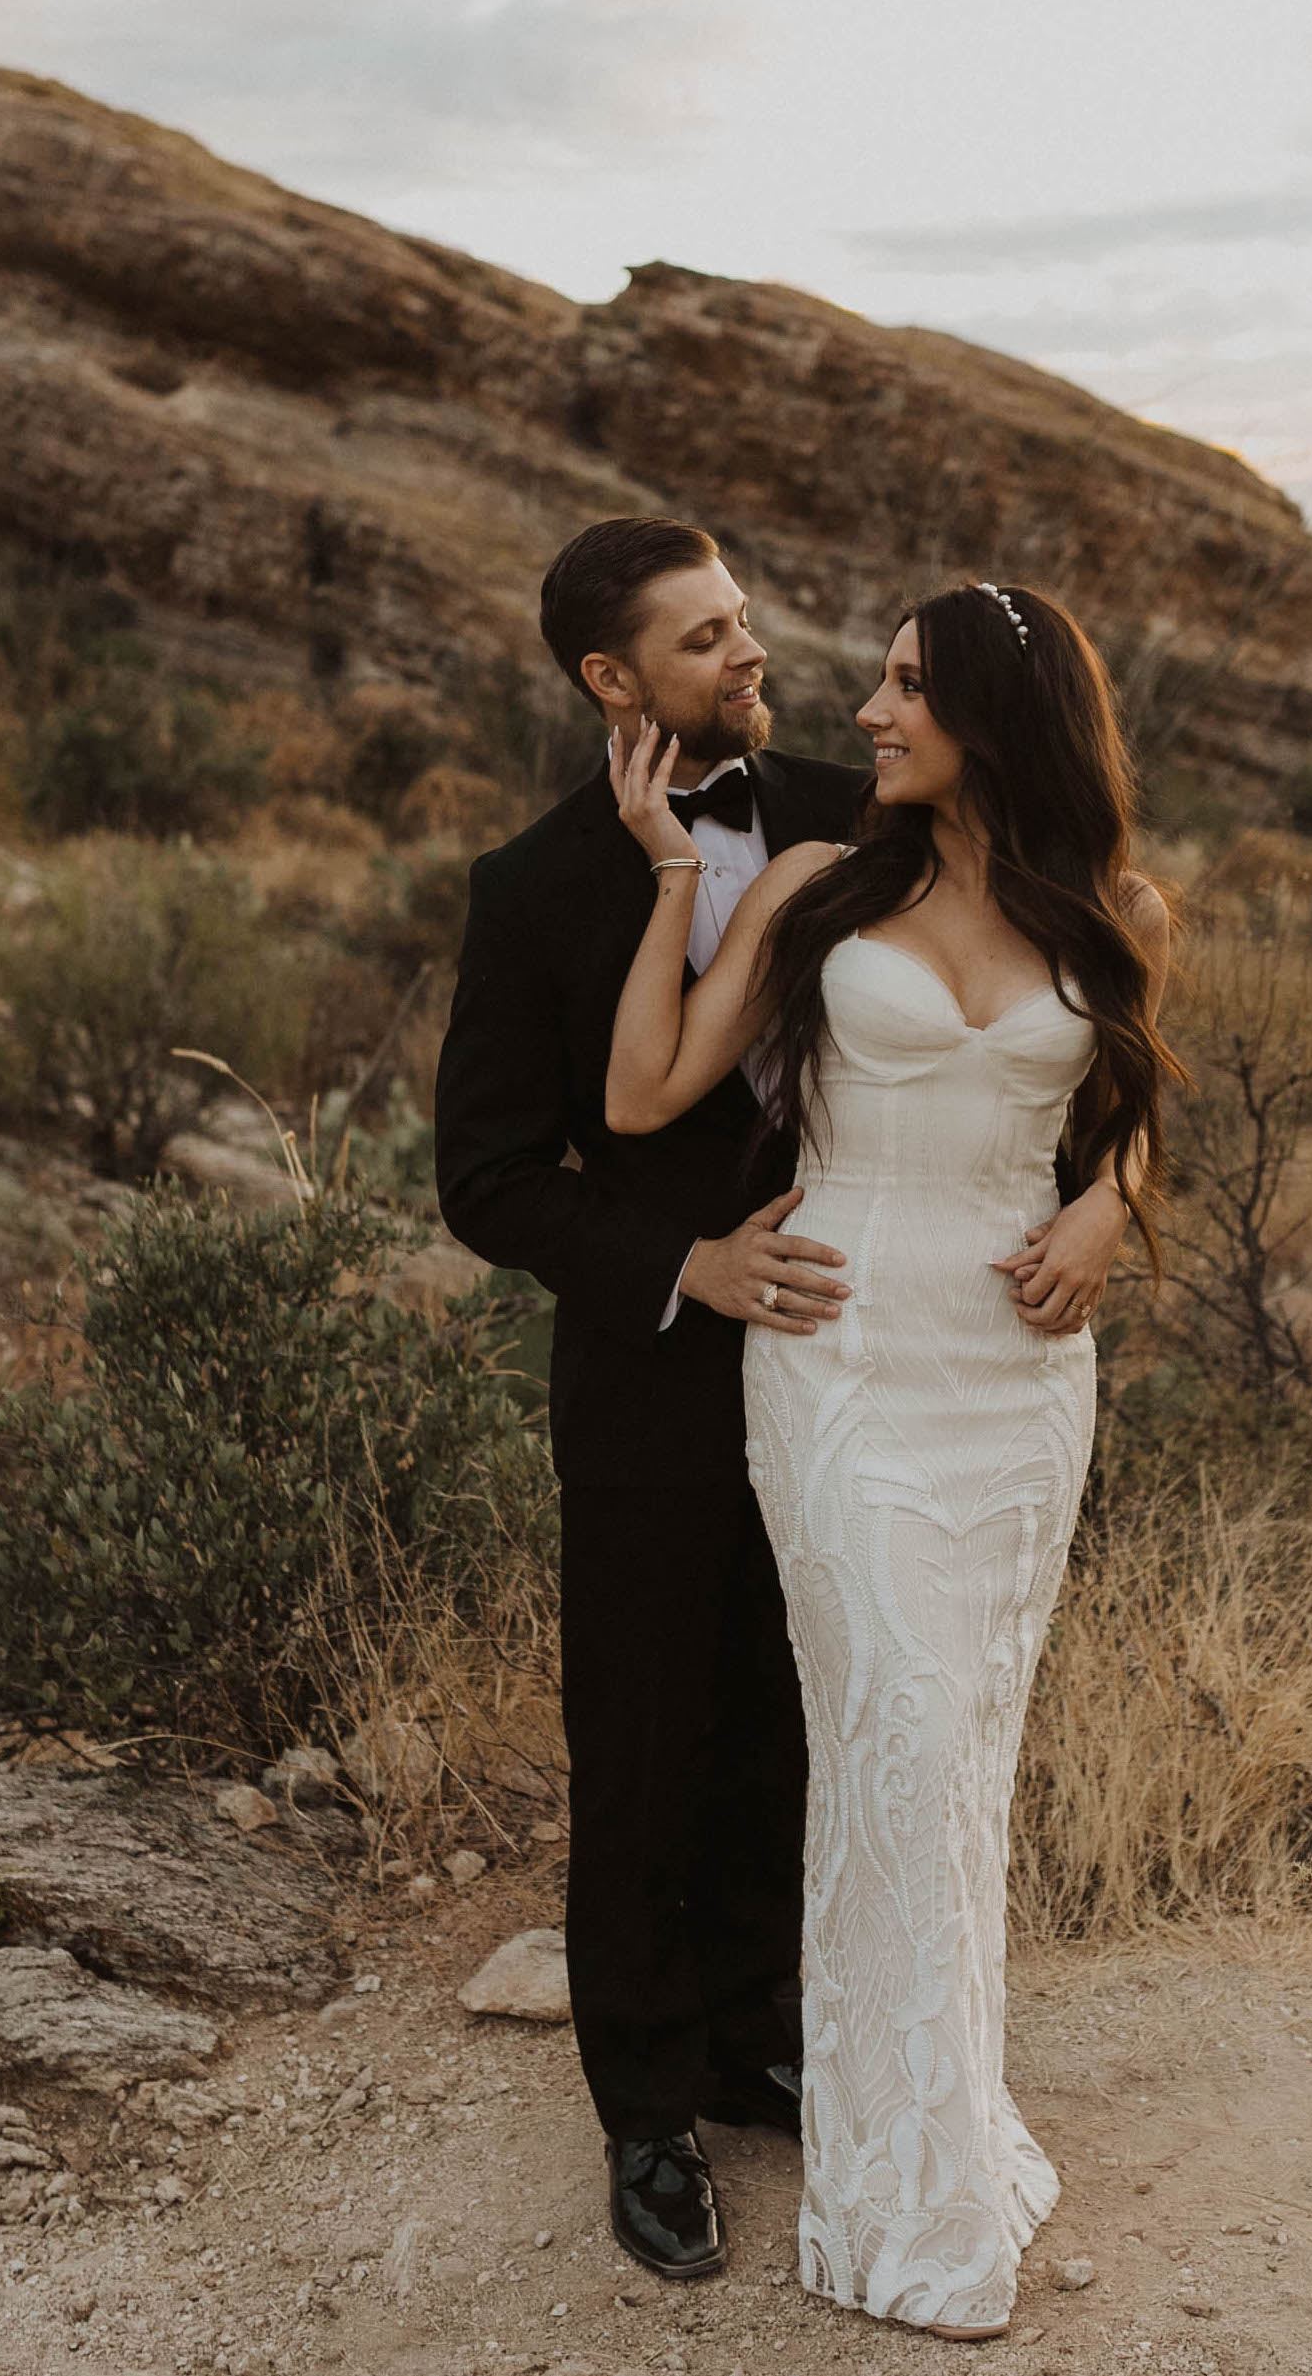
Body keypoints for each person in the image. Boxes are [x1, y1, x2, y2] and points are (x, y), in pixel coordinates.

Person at [601, 578, 1175, 2340]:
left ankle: (925, 2135)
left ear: (999, 715)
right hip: (841, 1356)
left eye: (909, 686)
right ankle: (904, 2197)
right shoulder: (808, 889)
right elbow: (640, 1099)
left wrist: (1102, 1212)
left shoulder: (1119, 909)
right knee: (898, 1732)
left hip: (1012, 1380)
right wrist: (670, 877)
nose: (867, 709)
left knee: (956, 1753)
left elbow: (1135, 1132)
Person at [434, 517, 866, 2283]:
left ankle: (759, 2038)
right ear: (611, 682)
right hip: (650, 1376)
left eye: (747, 621)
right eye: (704, 641)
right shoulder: (532, 887)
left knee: (790, 1704)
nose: (747, 657)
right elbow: (490, 1179)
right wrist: (686, 1266)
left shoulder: (860, 806)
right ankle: (646, 2108)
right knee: (640, 1734)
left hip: (856, 1356)